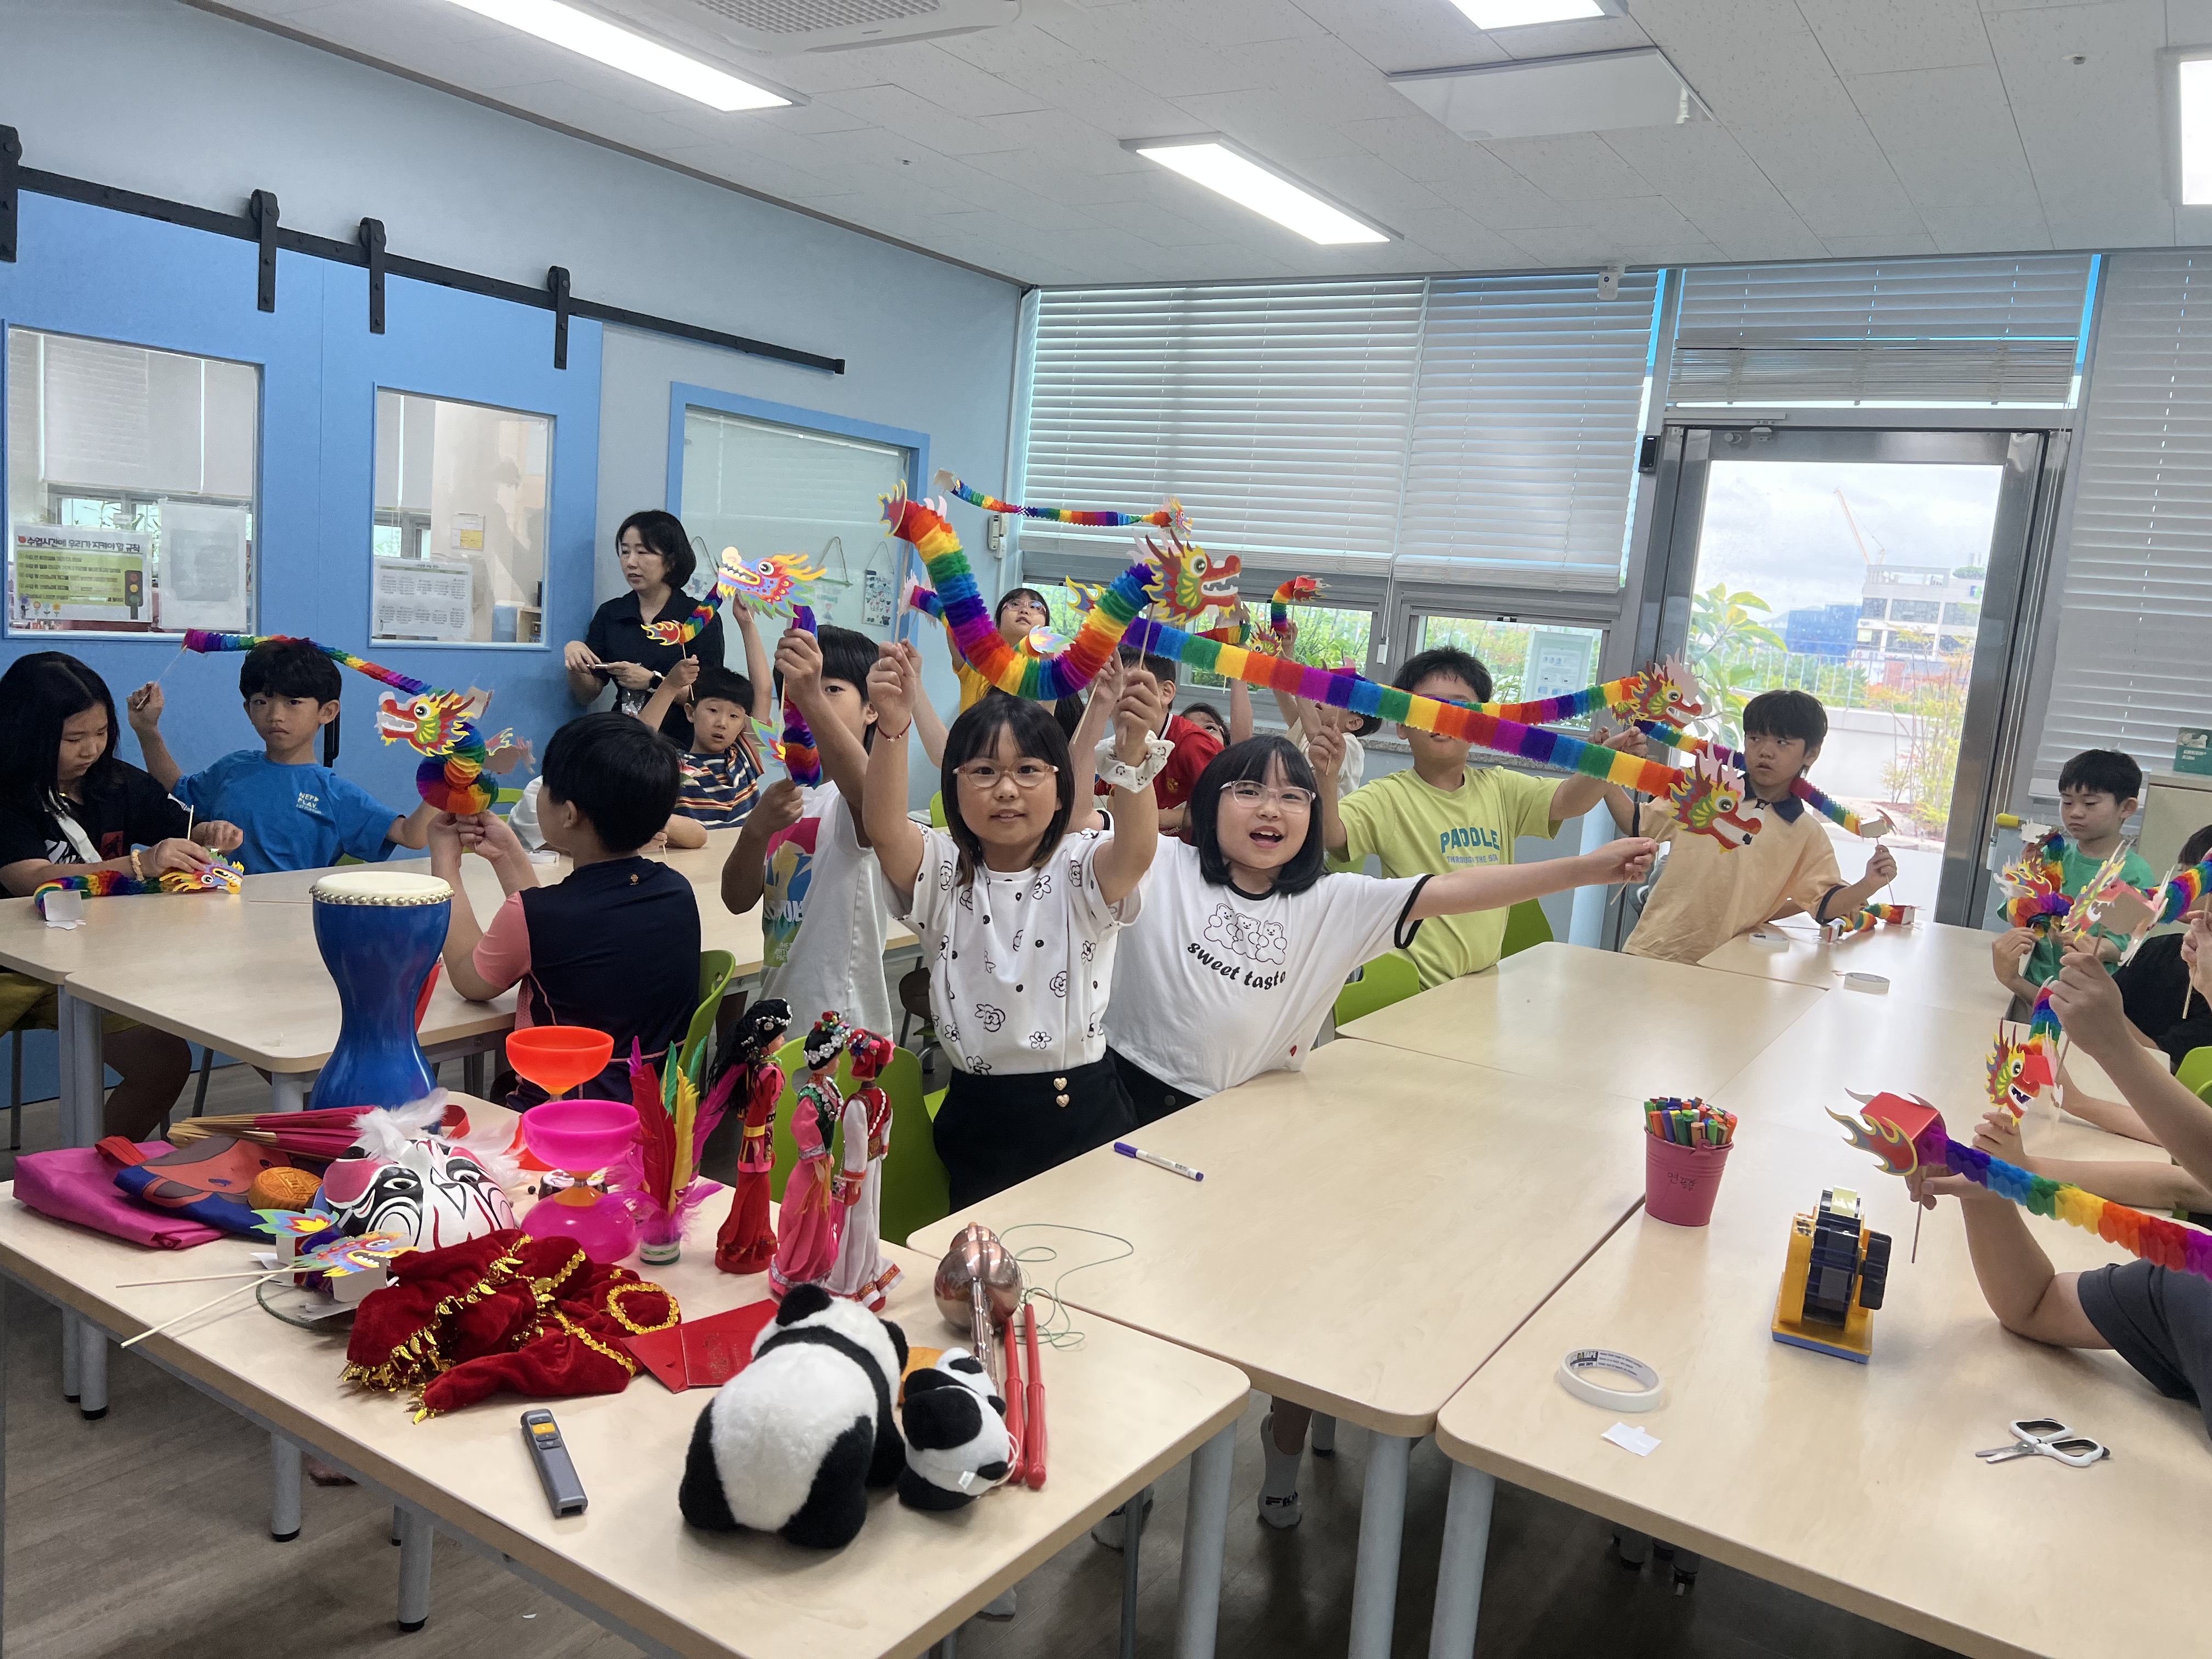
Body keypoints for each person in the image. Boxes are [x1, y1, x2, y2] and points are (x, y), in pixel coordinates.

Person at [1104, 729, 1657, 1528]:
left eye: (1294, 795)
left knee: (1284, 1302)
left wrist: (1589, 867)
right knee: (1147, 1312)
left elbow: (1461, 888)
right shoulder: (1161, 865)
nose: (1273, 809)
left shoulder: (1333, 901)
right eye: (1249, 791)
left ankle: (1282, 1455)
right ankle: (1131, 1473)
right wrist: (1120, 743)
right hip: (1138, 1118)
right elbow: (1098, 817)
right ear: (1207, 804)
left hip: (1258, 1128)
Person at [862, 644, 1164, 1208]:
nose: (1006, 788)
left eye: (1029, 771)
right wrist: (893, 728)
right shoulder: (944, 870)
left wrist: (1131, 755)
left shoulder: (1080, 867)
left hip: (1083, 1107)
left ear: (1060, 792)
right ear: (954, 787)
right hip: (980, 1115)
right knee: (988, 1274)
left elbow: (1136, 851)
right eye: (983, 771)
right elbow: (884, 829)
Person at [1908, 935, 2212, 1444]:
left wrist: (2114, 1048)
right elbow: (2035, 1303)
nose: (2199, 918)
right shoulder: (2187, 1290)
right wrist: (1992, 1192)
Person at [0, 653, 242, 1138]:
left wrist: (209, 838)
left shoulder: (116, 782)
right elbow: (31, 880)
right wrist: (138, 863)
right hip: (9, 966)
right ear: (28, 733)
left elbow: (184, 832)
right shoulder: (8, 792)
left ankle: (88, 1172)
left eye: (102, 732)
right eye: (73, 739)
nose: (92, 749)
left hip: (88, 967)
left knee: (164, 1062)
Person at [1319, 646, 1643, 986]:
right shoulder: (1388, 797)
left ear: (1480, 726)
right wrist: (1326, 777)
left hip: (1482, 984)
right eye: (1428, 707)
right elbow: (1334, 835)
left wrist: (1606, 763)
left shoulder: (1500, 788)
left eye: (1459, 708)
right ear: (1402, 725)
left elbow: (1568, 801)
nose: (1443, 718)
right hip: (1414, 987)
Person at [430, 712, 699, 1105]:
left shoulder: (538, 916)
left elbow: (471, 981)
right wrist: (509, 856)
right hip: (651, 1119)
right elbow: (558, 939)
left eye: (546, 785)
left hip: (565, 1119)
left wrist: (445, 867)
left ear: (569, 814)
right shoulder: (677, 891)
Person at [1607, 689, 1897, 965]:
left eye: (1782, 743)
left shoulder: (1805, 833)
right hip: (1653, 950)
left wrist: (1869, 883)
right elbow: (1636, 823)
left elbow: (1824, 906)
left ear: (1811, 754)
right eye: (1755, 738)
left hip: (1732, 968)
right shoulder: (1705, 793)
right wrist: (1601, 768)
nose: (1765, 751)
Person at [127, 637, 434, 873]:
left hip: (294, 921)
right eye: (261, 702)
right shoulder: (233, 769)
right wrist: (147, 730)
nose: (275, 715)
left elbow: (412, 835)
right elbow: (175, 786)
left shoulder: (335, 794)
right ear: (248, 710)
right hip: (217, 911)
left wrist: (450, 775)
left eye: (293, 702)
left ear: (327, 712)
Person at [722, 623, 895, 1038]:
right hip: (781, 1015)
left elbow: (868, 795)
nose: (799, 701)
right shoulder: (793, 797)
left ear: (872, 709)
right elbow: (737, 899)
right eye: (791, 694)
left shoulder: (856, 798)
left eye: (831, 689)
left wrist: (809, 693)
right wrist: (755, 831)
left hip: (843, 1031)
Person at [563, 510, 741, 748]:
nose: (631, 562)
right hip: (623, 742)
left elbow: (711, 700)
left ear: (671, 561)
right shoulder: (612, 614)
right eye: (625, 552)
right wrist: (576, 658)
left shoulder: (698, 618)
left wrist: (653, 681)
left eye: (643, 552)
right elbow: (587, 694)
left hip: (679, 746)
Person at [1992, 751, 2156, 1005]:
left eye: (2090, 804)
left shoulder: (2134, 872)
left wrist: (2099, 949)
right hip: (2034, 985)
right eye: (2067, 802)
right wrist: (2025, 884)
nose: (2075, 813)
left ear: (2126, 808)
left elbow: (2126, 945)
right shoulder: (2051, 856)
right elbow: (2013, 915)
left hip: (2086, 998)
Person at [634, 659, 768, 847]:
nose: (722, 722)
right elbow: (637, 742)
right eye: (713, 710)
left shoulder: (746, 757)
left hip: (742, 864)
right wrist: (670, 686)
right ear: (691, 713)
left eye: (734, 716)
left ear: (744, 724)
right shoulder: (675, 765)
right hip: (695, 869)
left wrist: (748, 628)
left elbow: (763, 691)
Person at [1100, 649, 1219, 836]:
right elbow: (1103, 795)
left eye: (1133, 683)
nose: (1120, 693)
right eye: (1114, 684)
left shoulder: (1193, 744)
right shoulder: (1117, 743)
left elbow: (1219, 811)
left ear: (1166, 692)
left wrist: (1148, 816)